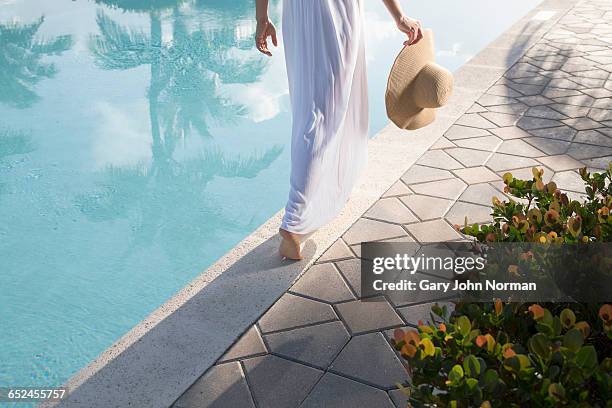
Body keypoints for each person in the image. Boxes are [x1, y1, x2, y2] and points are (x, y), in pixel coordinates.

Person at [255, 0, 423, 260]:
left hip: (298, 12)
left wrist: (262, 18)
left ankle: (315, 198)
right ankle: (294, 221)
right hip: (334, 11)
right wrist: (399, 16)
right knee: (323, 110)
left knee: (311, 109)